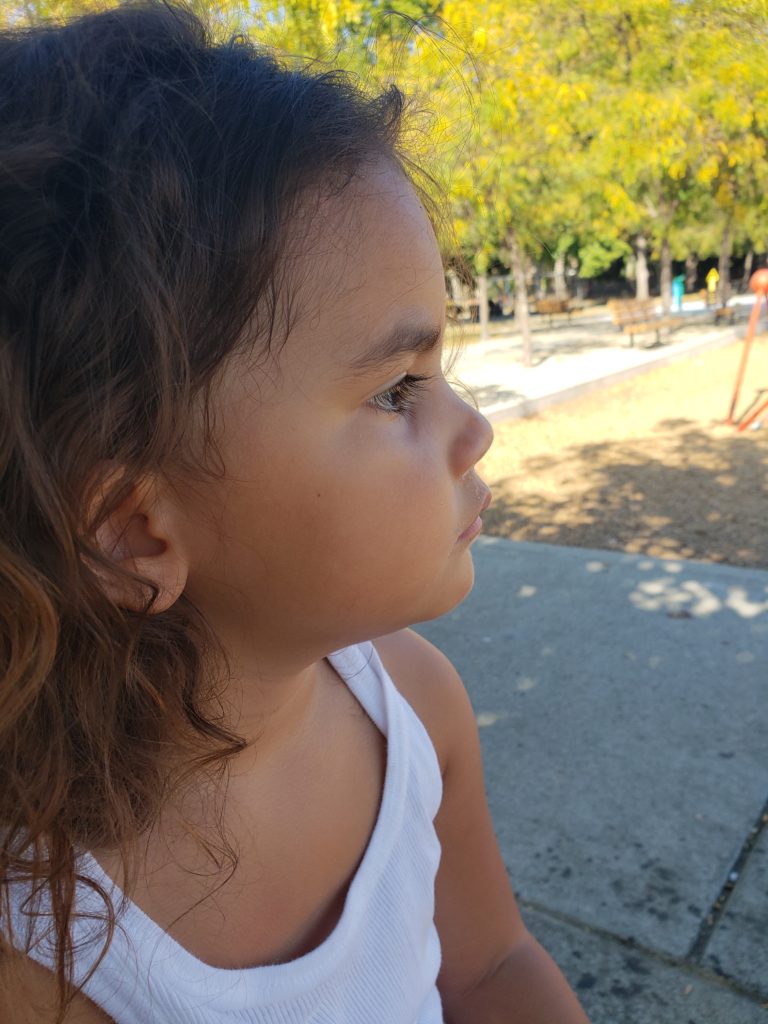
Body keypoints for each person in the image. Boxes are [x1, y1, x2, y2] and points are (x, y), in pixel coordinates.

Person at [0, 4, 591, 1022]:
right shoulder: (43, 943)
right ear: (136, 531)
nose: (473, 429)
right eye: (397, 391)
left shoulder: (414, 705)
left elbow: (489, 967)